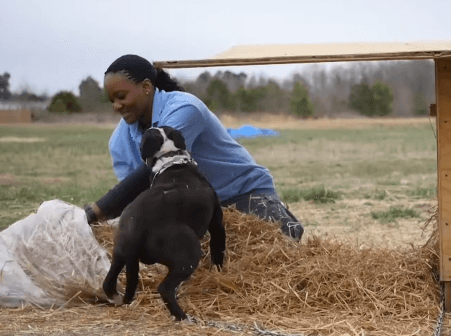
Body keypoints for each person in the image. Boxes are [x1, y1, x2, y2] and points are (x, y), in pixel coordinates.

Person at [84, 54, 303, 241]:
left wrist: (95, 211)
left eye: (121, 96)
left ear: (147, 87)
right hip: (194, 209)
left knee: (275, 253)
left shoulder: (184, 109)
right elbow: (134, 194)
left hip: (242, 195)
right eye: (111, 99)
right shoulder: (119, 142)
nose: (116, 106)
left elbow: (157, 166)